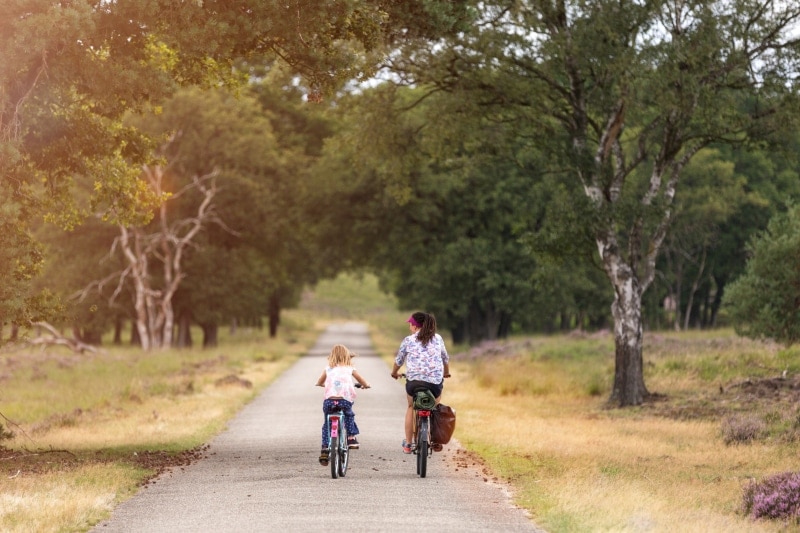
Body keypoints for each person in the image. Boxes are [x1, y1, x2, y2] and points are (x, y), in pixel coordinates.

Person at [390, 311, 450, 454]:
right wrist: (446, 372)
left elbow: (399, 360)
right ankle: (436, 440)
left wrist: (394, 373)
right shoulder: (438, 338)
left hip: (414, 383)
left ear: (416, 326)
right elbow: (445, 358)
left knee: (411, 406)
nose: (409, 326)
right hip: (434, 383)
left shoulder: (408, 340)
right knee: (435, 406)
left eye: (410, 324)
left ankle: (408, 444)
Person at [315, 344, 370, 466]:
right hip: (344, 400)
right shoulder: (350, 368)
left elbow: (320, 381)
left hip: (329, 401)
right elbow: (361, 380)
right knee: (349, 415)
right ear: (347, 356)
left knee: (326, 425)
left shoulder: (328, 368)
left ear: (331, 356)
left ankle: (324, 449)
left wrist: (320, 384)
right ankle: (351, 438)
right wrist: (366, 385)